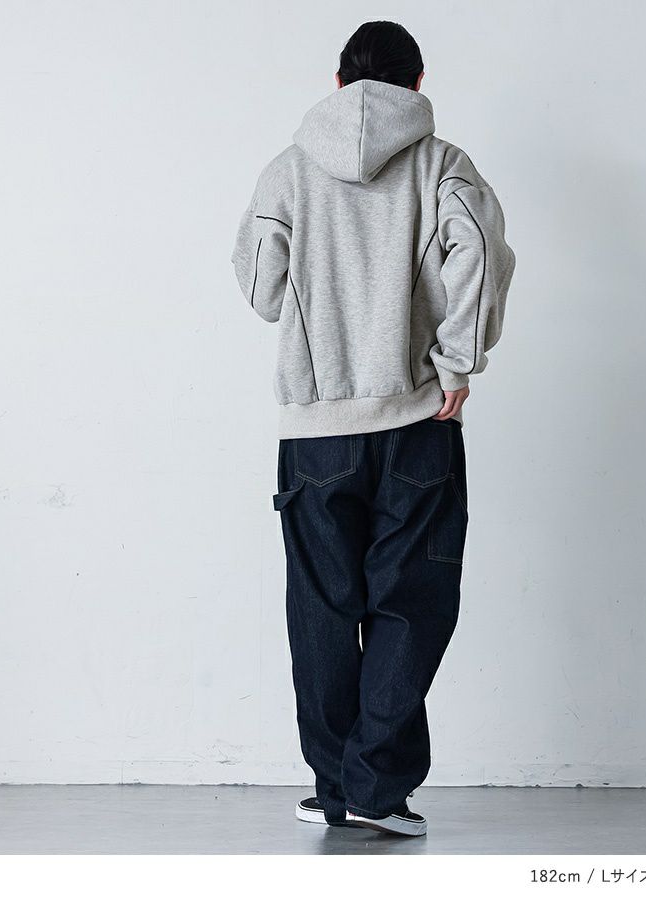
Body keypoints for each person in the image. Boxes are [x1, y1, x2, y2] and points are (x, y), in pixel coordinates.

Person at [232, 20, 515, 837]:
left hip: (315, 430)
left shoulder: (288, 171)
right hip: (419, 417)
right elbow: (481, 255)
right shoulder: (444, 165)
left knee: (322, 606)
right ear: (417, 84)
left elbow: (260, 287)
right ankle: (374, 788)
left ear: (338, 82)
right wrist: (455, 364)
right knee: (411, 601)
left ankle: (338, 786)